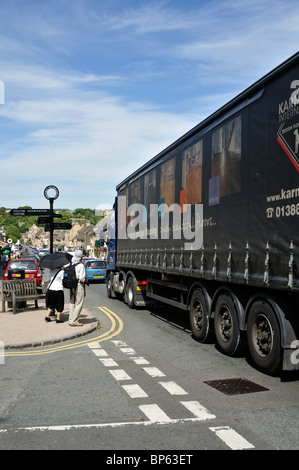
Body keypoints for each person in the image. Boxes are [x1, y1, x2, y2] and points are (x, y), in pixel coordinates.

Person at [68, 250, 86, 326]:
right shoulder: (81, 265)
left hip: (71, 285)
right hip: (79, 285)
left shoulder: (71, 263)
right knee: (79, 303)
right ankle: (74, 321)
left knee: (72, 302)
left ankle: (71, 319)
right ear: (81, 257)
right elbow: (82, 278)